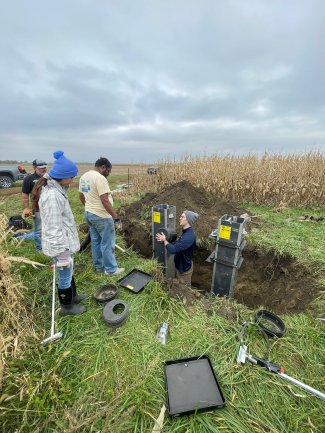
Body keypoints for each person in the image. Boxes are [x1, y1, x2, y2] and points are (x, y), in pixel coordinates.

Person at [31, 150, 87, 316]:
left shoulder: (57, 189)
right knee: (64, 273)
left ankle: (73, 296)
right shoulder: (53, 196)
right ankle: (67, 307)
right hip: (60, 244)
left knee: (68, 270)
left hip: (65, 242)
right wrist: (61, 253)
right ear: (63, 176)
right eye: (72, 176)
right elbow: (54, 227)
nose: (73, 179)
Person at [79, 157, 124, 276]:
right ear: (103, 167)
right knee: (107, 243)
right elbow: (105, 200)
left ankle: (99, 267)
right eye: (108, 171)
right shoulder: (100, 178)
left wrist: (89, 206)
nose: (108, 174)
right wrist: (115, 217)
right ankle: (111, 270)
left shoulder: (84, 177)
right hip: (102, 217)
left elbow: (81, 196)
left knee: (96, 242)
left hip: (90, 214)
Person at [156, 210, 199, 286]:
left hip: (184, 270)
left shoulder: (188, 237)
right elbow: (178, 244)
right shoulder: (186, 232)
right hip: (180, 265)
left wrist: (164, 240)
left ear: (188, 220)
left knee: (185, 290)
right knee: (179, 285)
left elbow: (173, 250)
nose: (180, 218)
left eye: (182, 217)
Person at [21, 159, 47, 251]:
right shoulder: (29, 179)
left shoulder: (49, 178)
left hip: (49, 208)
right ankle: (39, 248)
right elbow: (24, 195)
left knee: (49, 228)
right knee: (39, 230)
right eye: (41, 168)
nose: (43, 170)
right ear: (34, 168)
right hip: (37, 209)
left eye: (45, 168)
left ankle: (49, 246)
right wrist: (26, 208)